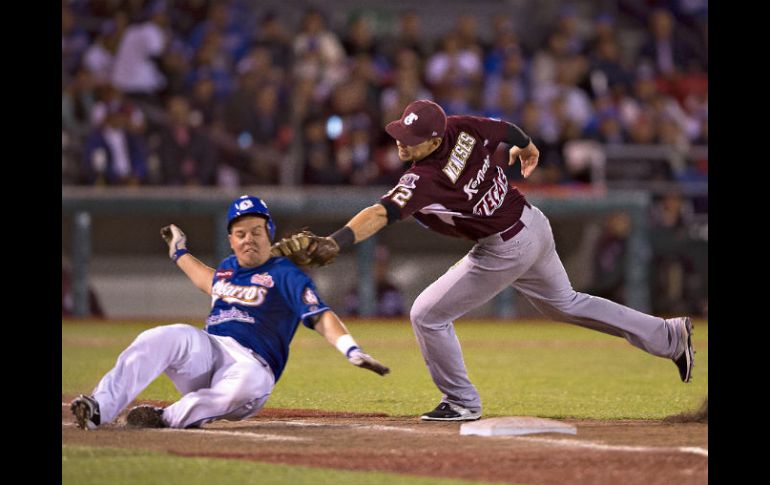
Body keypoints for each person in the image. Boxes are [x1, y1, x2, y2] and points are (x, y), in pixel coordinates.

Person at [272, 99, 694, 422]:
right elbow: (507, 129)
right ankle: (668, 335)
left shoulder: (425, 177)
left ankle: (460, 402)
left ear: (435, 141)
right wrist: (527, 148)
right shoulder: (461, 127)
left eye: (411, 136)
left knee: (427, 314)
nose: (402, 140)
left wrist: (336, 240)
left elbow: (380, 213)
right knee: (566, 303)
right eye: (401, 131)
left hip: (504, 246)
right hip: (531, 223)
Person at [70, 195, 389, 430]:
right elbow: (204, 279)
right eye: (241, 233)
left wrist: (351, 349)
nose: (248, 238)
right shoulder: (226, 269)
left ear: (269, 234)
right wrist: (178, 251)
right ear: (231, 240)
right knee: (163, 336)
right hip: (210, 352)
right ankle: (100, 407)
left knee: (244, 383)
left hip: (253, 366)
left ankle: (164, 418)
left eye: (256, 231)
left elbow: (320, 315)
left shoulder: (286, 274)